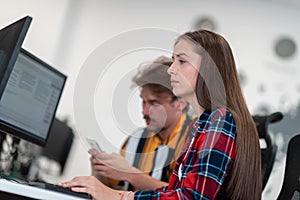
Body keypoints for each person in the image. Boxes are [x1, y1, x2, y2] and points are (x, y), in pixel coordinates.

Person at [60, 29, 262, 200]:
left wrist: (118, 196)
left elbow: (191, 197)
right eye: (173, 60)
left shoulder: (221, 120)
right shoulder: (202, 125)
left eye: (181, 61)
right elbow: (174, 192)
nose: (171, 70)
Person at [89, 56, 194, 191]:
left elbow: (186, 195)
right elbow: (115, 191)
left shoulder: (196, 142)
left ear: (180, 102)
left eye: (154, 104)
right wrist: (100, 173)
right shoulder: (135, 140)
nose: (144, 111)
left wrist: (131, 174)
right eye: (143, 101)